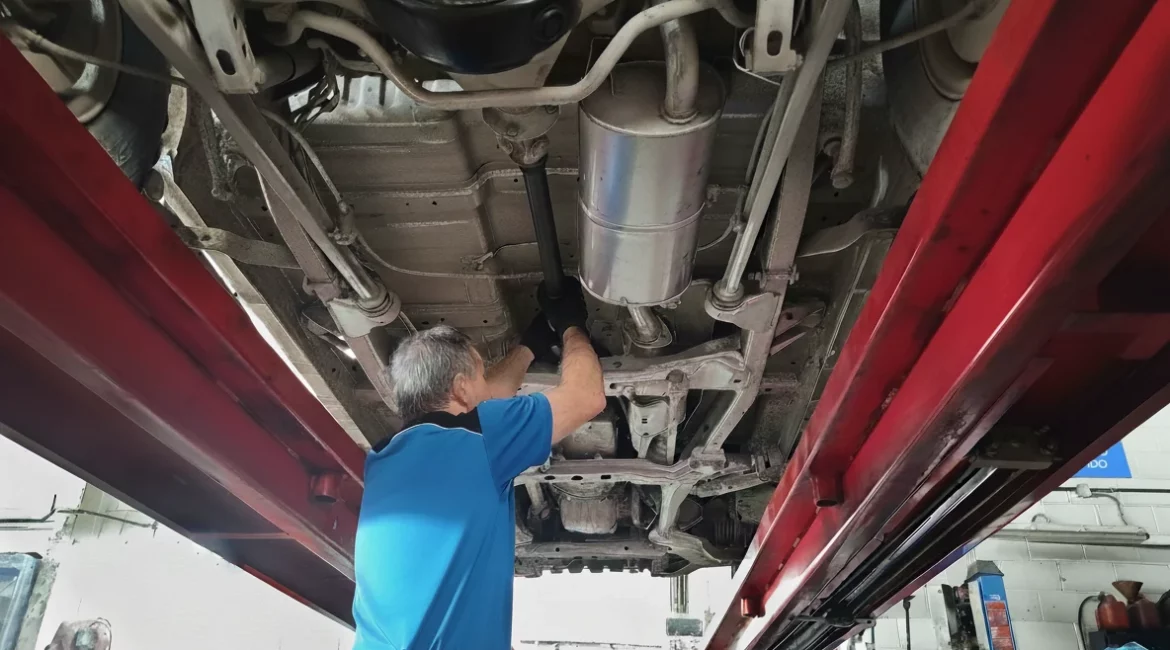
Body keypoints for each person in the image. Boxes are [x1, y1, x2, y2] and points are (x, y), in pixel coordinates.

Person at [352, 279, 606, 650]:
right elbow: (587, 397)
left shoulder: (385, 457)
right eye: (480, 375)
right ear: (459, 389)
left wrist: (528, 349)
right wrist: (573, 327)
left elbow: (481, 408)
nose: (487, 386)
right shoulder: (479, 439)